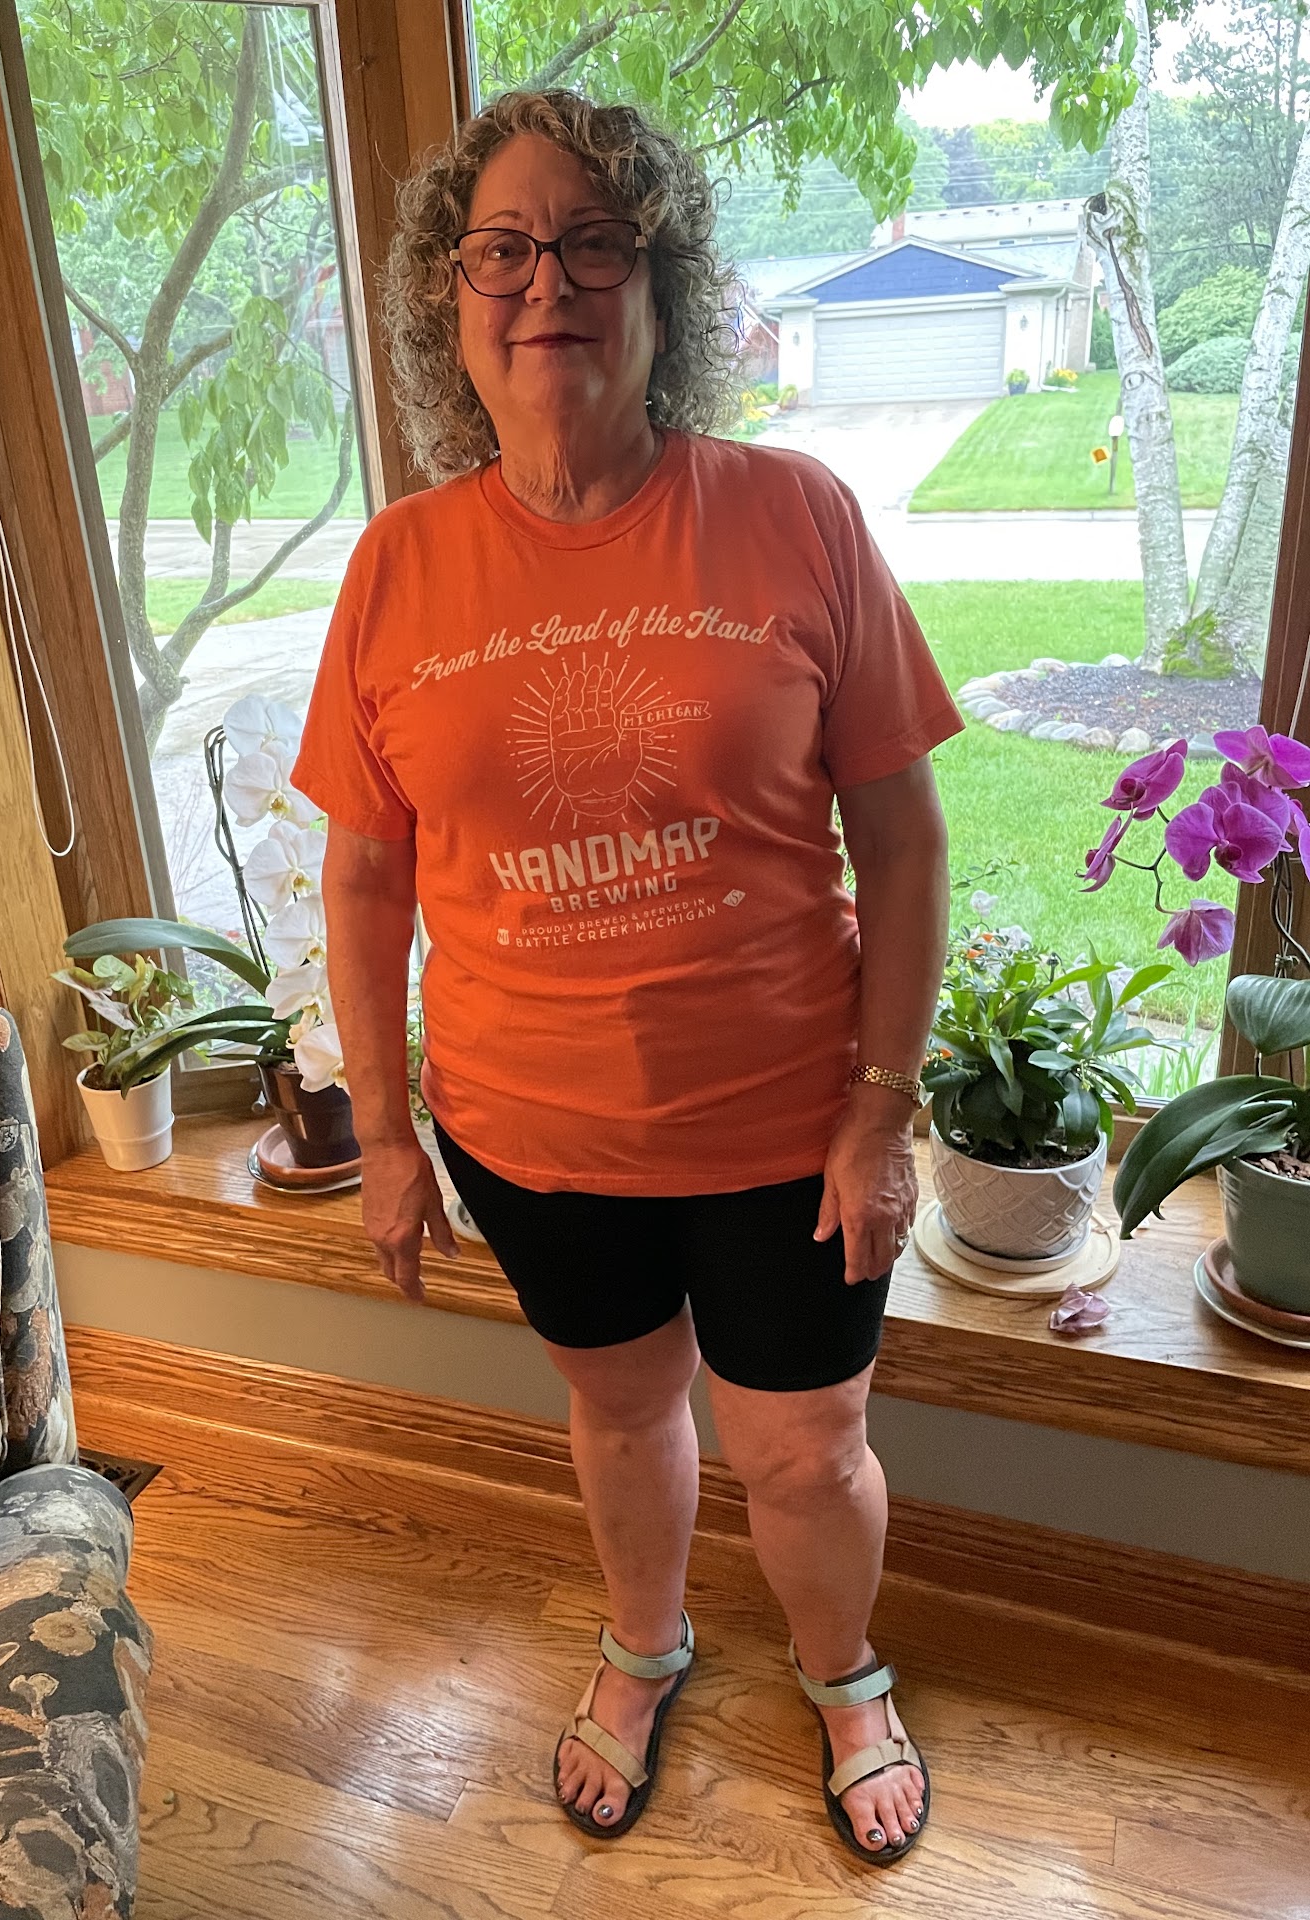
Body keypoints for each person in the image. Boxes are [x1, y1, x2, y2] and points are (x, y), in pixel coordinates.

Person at [292, 88, 961, 1865]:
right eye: (502, 249)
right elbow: (366, 875)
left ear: (663, 288)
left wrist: (881, 1112)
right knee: (620, 1407)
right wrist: (384, 1135)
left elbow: (903, 845)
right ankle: (647, 1645)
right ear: (447, 301)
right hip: (532, 1129)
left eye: (597, 243)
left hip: (786, 1124)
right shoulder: (398, 564)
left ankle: (844, 1673)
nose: (548, 284)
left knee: (806, 1449)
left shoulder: (794, 515)